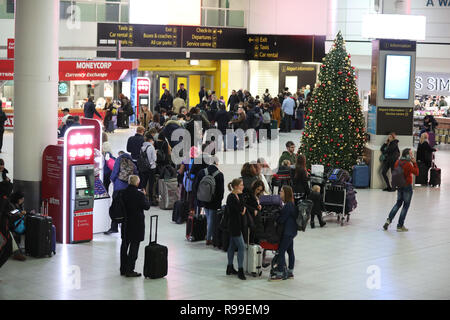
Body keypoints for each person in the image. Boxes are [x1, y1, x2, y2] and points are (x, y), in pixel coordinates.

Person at [120, 175, 150, 277]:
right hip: (136, 224)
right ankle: (130, 269)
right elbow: (147, 207)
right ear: (137, 183)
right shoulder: (139, 195)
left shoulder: (122, 193)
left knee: (124, 246)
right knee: (134, 246)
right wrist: (145, 196)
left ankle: (123, 268)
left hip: (126, 223)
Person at [383, 148, 419, 232]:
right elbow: (416, 173)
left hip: (399, 185)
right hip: (407, 186)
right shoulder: (408, 164)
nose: (412, 155)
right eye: (410, 153)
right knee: (405, 206)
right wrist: (415, 163)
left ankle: (388, 220)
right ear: (407, 155)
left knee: (398, 203)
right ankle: (400, 225)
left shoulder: (397, 162)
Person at [193, 156, 224, 246]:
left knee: (208, 217)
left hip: (203, 198)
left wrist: (198, 198)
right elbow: (221, 190)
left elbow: (196, 186)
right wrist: (219, 201)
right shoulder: (219, 174)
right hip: (214, 201)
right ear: (217, 163)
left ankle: (208, 235)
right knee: (211, 219)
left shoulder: (202, 172)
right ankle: (208, 238)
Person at [105, 151, 138, 235]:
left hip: (118, 187)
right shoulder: (132, 162)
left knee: (116, 206)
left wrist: (113, 180)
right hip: (127, 188)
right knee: (126, 208)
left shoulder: (119, 160)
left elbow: (114, 173)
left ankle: (114, 227)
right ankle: (125, 226)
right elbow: (136, 173)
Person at [270, 185, 297, 281]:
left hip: (287, 232)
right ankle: (290, 272)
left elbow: (282, 219)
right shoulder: (291, 204)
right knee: (290, 251)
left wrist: (276, 218)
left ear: (286, 193)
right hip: (292, 231)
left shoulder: (288, 206)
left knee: (281, 251)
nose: (280, 193)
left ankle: (280, 273)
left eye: (281, 191)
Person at [225, 178, 247, 280]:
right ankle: (240, 270)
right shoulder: (231, 197)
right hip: (234, 225)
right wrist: (242, 210)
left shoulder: (238, 196)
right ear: (236, 186)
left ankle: (229, 267)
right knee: (241, 247)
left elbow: (241, 209)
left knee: (232, 246)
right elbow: (240, 210)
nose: (243, 186)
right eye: (241, 185)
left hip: (237, 224)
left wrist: (242, 209)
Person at [244, 180, 265, 244]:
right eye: (258, 189)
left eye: (260, 190)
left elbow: (258, 204)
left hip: (257, 217)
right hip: (251, 216)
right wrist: (253, 210)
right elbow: (244, 204)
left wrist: (260, 206)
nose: (258, 191)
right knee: (253, 232)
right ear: (254, 187)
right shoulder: (249, 193)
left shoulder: (258, 195)